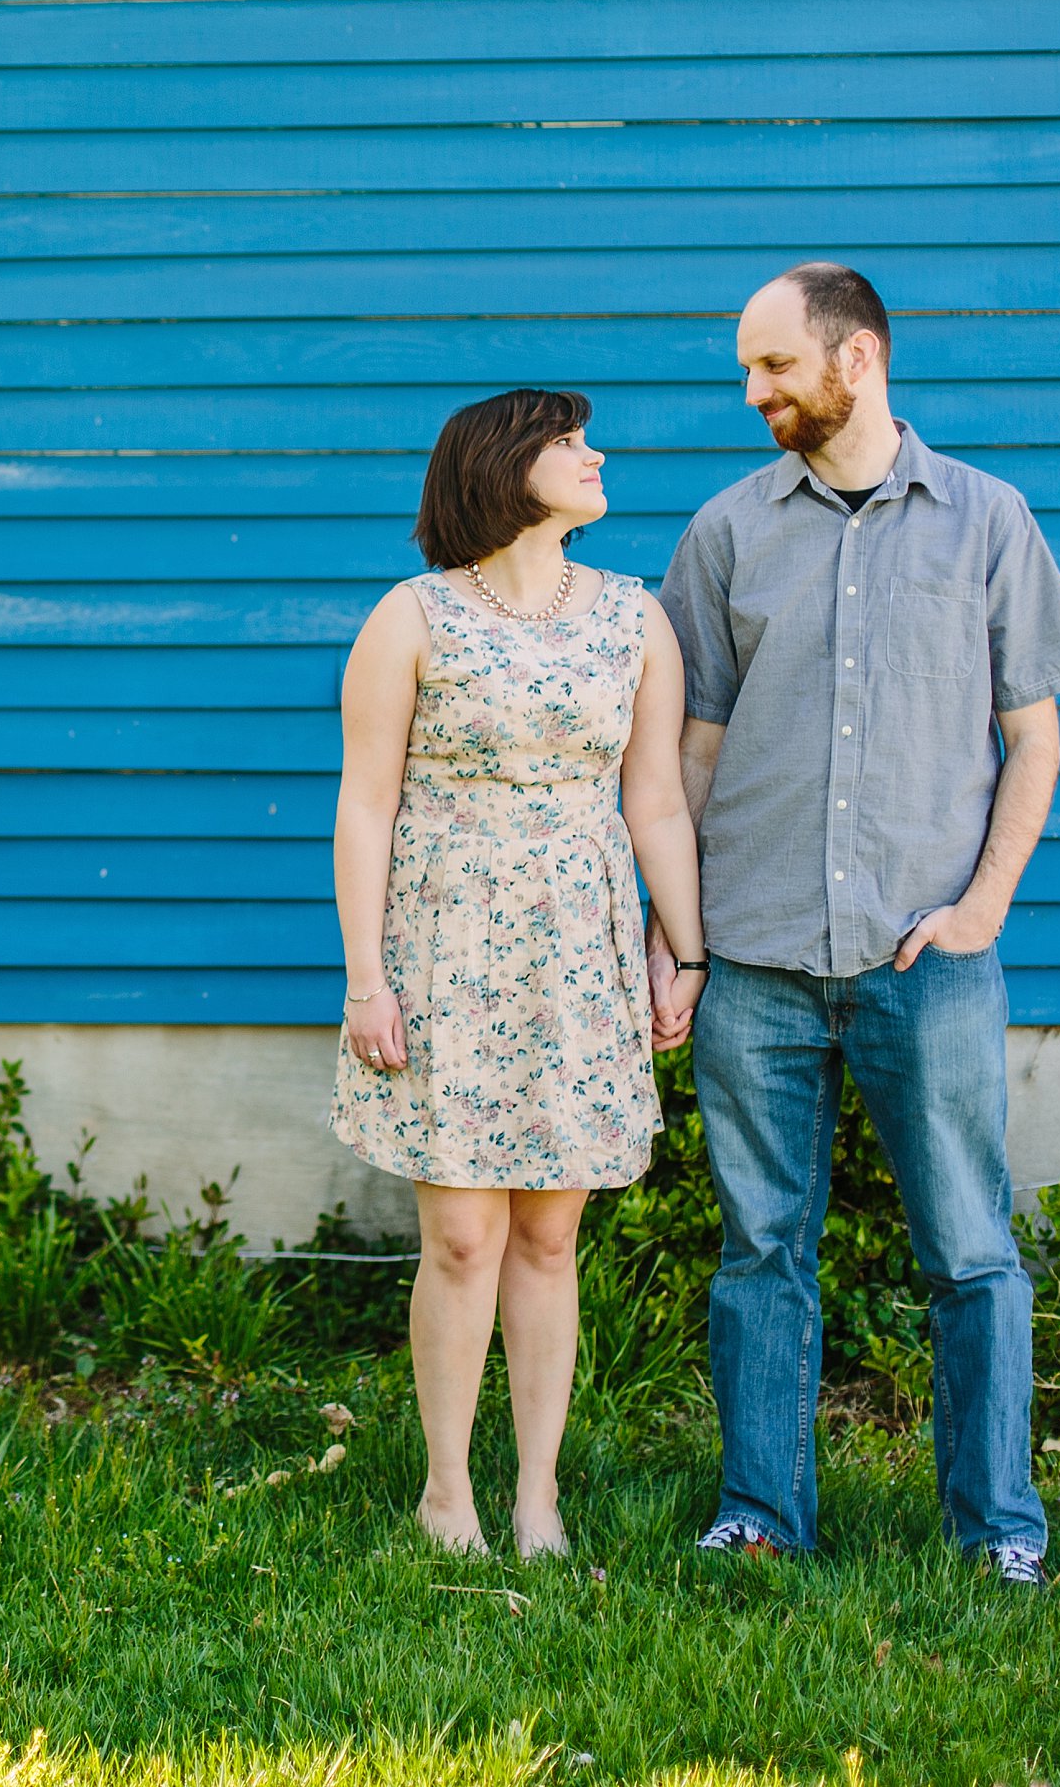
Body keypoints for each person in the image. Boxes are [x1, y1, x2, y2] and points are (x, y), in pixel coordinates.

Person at [657, 263, 1060, 1588]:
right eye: (748, 369)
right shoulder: (728, 531)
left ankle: (999, 1525)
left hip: (929, 961)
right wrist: (671, 934)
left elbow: (1033, 738)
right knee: (760, 1250)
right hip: (757, 958)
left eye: (774, 367)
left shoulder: (987, 520)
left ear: (855, 361)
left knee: (970, 1249)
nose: (754, 393)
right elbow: (687, 755)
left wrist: (983, 907)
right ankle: (762, 1510)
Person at [330, 387, 707, 1561]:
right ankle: (447, 1492)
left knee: (549, 1240)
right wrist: (364, 980)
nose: (595, 457)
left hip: (578, 956)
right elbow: (365, 806)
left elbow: (653, 802)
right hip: (445, 953)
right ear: (503, 467)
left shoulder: (633, 618)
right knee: (459, 1241)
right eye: (567, 442)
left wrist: (679, 949)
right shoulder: (412, 617)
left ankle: (534, 1498)